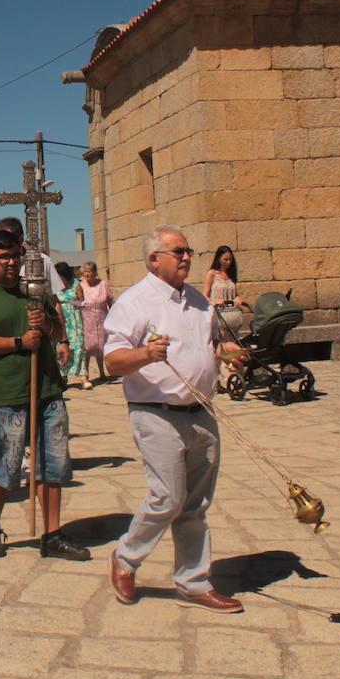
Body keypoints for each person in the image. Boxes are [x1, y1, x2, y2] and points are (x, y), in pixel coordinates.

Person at [102, 225, 246, 614]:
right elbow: (112, 361)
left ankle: (193, 581)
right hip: (156, 413)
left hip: (201, 412)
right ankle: (126, 559)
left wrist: (225, 352)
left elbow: (206, 349)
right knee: (167, 497)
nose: (186, 257)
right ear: (154, 259)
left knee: (195, 504)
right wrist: (146, 355)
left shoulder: (199, 301)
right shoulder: (134, 303)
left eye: (188, 252)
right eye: (178, 251)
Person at [0, 230, 86, 560]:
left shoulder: (35, 290)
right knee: (5, 464)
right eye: (3, 257)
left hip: (47, 389)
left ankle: (52, 533)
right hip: (7, 394)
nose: (11, 262)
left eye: (15, 255)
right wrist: (17, 343)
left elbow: (59, 331)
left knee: (53, 465)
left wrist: (45, 326)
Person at [0, 217, 65, 293]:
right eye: (0, 238)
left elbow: (54, 298)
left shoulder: (42, 261)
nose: (4, 243)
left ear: (21, 238)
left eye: (10, 238)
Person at [77, 262, 115, 386]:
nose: (88, 274)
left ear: (95, 272)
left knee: (100, 346)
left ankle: (102, 373)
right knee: (87, 347)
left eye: (90, 271)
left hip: (101, 319)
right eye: (85, 272)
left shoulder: (103, 284)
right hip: (86, 320)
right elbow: (78, 301)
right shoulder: (81, 286)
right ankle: (86, 373)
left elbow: (110, 300)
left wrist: (113, 316)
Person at [53, 262, 87, 383]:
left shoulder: (76, 285)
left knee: (78, 346)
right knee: (61, 347)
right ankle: (63, 374)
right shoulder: (54, 287)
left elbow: (82, 303)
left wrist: (76, 303)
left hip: (75, 319)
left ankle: (83, 375)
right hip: (62, 320)